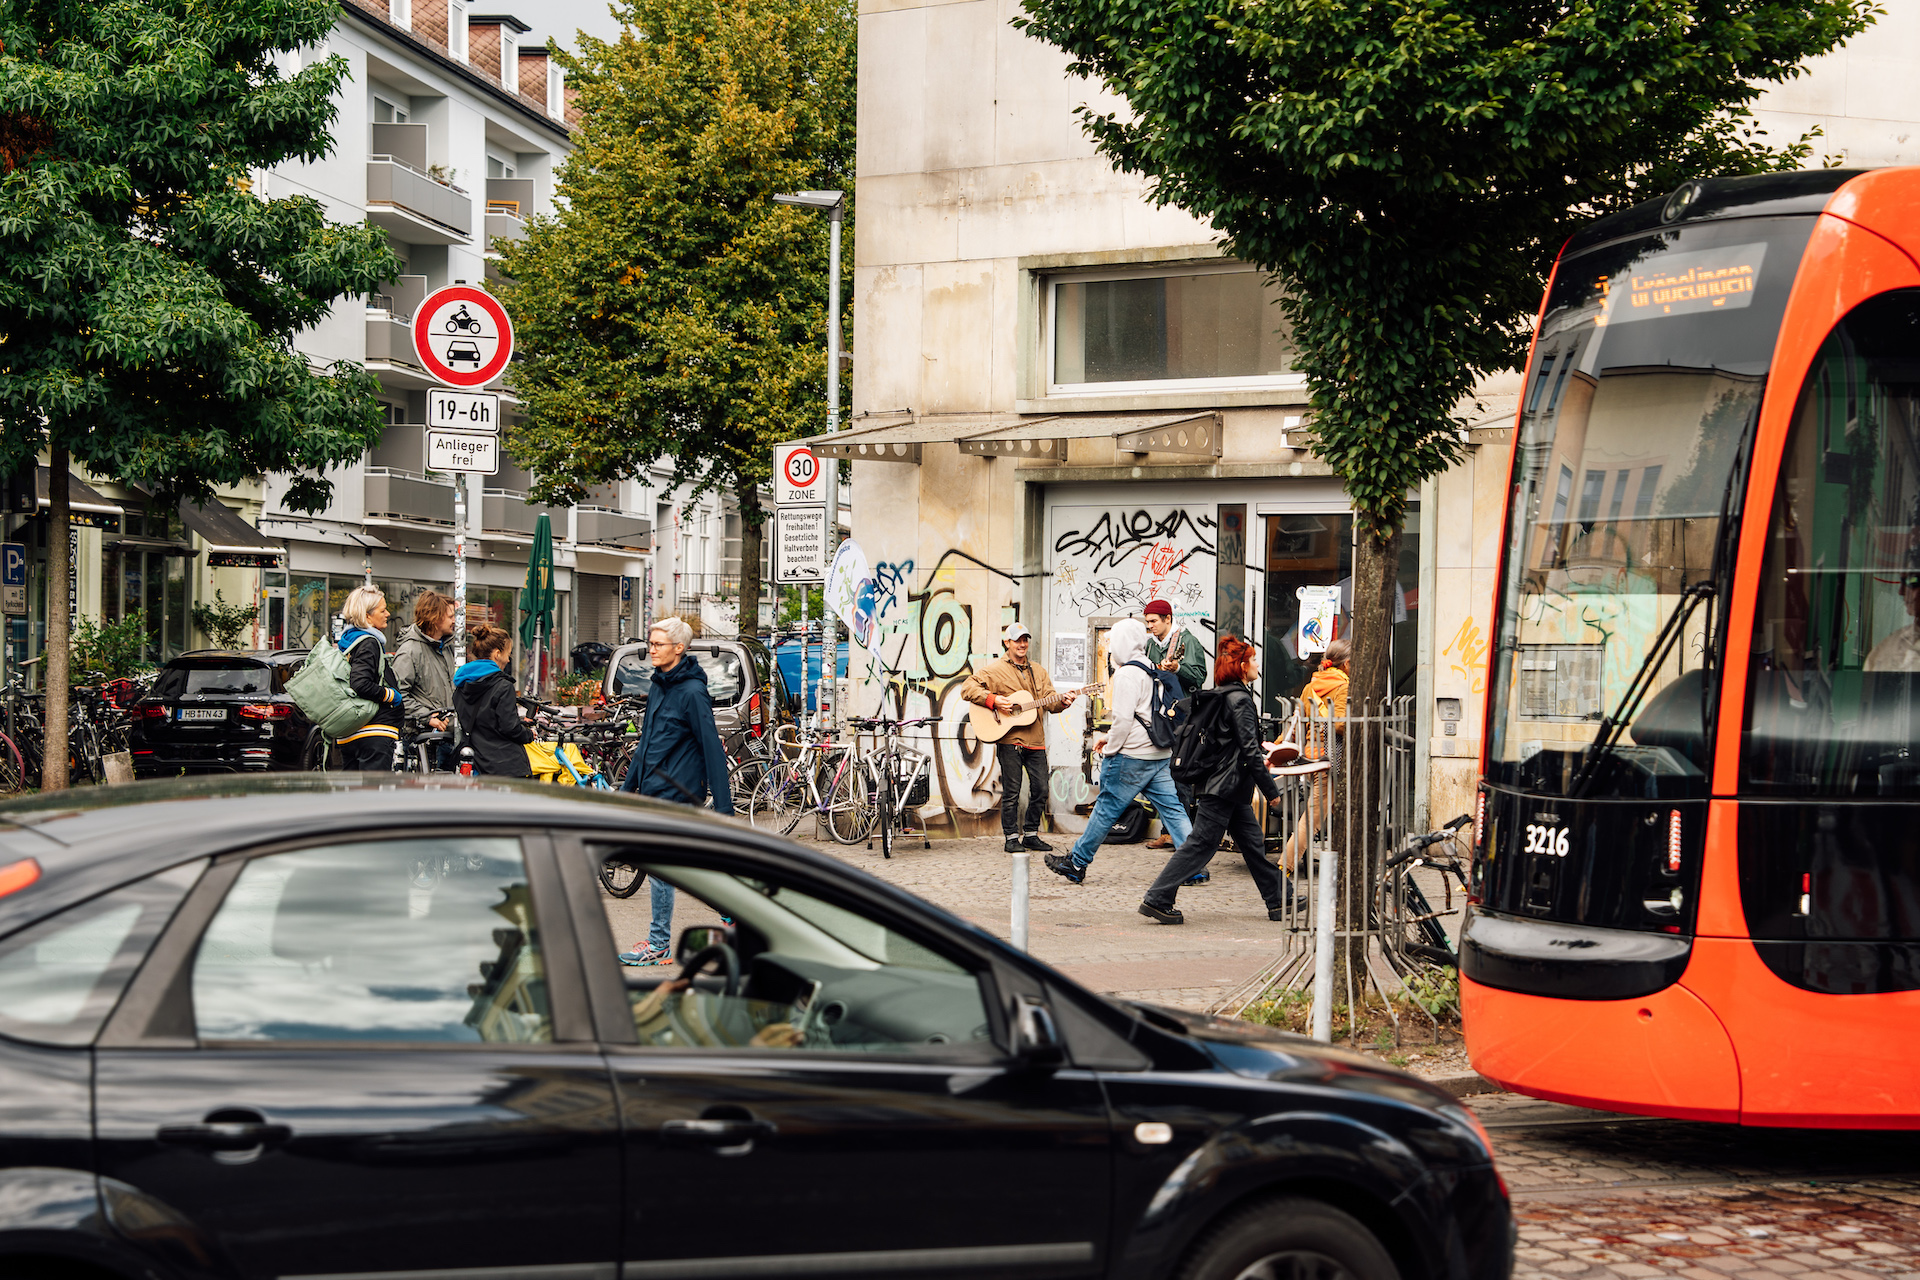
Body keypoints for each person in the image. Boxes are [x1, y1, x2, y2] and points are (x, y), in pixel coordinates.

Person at [1138, 635, 1302, 924]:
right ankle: (1158, 897)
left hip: (1228, 785)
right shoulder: (1239, 700)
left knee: (1252, 844)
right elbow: (1249, 750)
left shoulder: (1224, 694)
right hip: (1225, 786)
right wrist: (1270, 790)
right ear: (1241, 666)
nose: (1256, 665)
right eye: (1252, 660)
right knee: (1201, 843)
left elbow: (1235, 745)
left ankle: (1279, 900)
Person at [618, 617, 735, 967]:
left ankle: (658, 944)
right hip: (654, 789)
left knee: (661, 867)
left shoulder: (692, 693)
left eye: (657, 644)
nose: (650, 649)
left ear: (679, 649)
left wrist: (724, 809)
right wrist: (627, 790)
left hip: (678, 793)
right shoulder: (659, 686)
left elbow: (711, 747)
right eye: (649, 644)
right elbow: (646, 745)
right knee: (686, 867)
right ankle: (734, 911)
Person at [1043, 618, 1192, 884]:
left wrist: (1111, 748)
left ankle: (1076, 864)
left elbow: (1124, 720)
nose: (1111, 646)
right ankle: (1193, 866)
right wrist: (1110, 738)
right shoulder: (1150, 667)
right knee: (1174, 810)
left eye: (1114, 640)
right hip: (1158, 754)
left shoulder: (1125, 674)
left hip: (1130, 757)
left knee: (1105, 810)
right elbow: (1142, 714)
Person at [961, 622, 1080, 853]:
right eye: (1017, 640)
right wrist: (992, 700)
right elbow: (967, 687)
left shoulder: (1039, 671)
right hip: (1010, 741)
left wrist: (1063, 702)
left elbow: (1050, 701)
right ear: (1007, 643)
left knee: (1041, 789)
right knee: (1013, 791)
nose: (1022, 644)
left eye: (1025, 639)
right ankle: (1011, 838)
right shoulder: (995, 670)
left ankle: (1032, 834)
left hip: (1036, 740)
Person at [1142, 598, 1207, 853]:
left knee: (1179, 774)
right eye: (1147, 622)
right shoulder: (1150, 645)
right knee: (1162, 773)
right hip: (1158, 717)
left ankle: (1182, 834)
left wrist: (1179, 667)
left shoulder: (1186, 640)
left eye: (1154, 621)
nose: (1150, 627)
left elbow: (1200, 676)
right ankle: (1167, 831)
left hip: (1182, 718)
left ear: (1168, 619)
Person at [1281, 638, 1351, 874]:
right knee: (1312, 818)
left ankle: (1347, 859)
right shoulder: (1343, 686)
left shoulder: (1312, 684)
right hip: (1329, 758)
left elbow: (1297, 718)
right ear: (1347, 664)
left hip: (1310, 756)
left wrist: (1279, 744)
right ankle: (1286, 865)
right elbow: (1339, 724)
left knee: (1340, 810)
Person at [335, 586, 404, 771]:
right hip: (373, 733)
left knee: (354, 794)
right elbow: (360, 683)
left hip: (351, 731)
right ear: (367, 617)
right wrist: (391, 695)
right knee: (372, 795)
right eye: (382, 610)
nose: (388, 614)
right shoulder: (369, 643)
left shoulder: (349, 642)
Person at [453, 625, 535, 777]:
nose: (508, 659)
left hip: (478, 763)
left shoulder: (461, 686)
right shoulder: (503, 686)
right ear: (497, 654)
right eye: (508, 654)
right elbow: (509, 727)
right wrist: (528, 734)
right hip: (505, 764)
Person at [394, 590, 459, 769]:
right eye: (450, 616)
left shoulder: (447, 649)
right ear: (434, 617)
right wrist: (426, 716)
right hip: (423, 741)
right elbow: (398, 695)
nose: (455, 621)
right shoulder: (410, 651)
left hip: (447, 736)